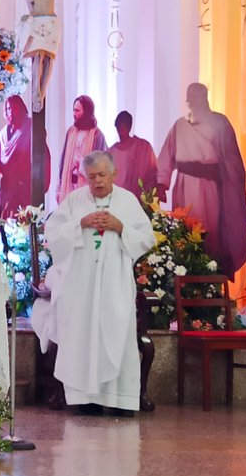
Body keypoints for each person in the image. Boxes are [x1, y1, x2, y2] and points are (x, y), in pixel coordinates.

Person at [38, 151, 156, 415]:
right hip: (81, 284)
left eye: (102, 175)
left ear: (113, 174)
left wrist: (119, 226)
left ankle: (120, 399)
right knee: (83, 335)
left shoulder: (127, 201)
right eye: (91, 177)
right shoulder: (74, 201)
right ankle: (84, 398)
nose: (97, 181)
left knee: (116, 334)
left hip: (115, 282)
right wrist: (80, 224)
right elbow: (53, 234)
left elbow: (146, 238)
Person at [156, 83, 246, 279]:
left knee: (210, 234)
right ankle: (187, 280)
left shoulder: (220, 123)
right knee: (185, 231)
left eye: (197, 96)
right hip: (183, 187)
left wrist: (223, 175)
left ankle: (211, 280)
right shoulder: (179, 126)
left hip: (210, 189)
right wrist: (161, 183)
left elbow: (233, 159)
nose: (193, 100)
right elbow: (166, 155)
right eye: (190, 96)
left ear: (205, 97)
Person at [0, 94, 49, 221]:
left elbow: (43, 158)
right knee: (2, 228)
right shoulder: (3, 134)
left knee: (22, 227)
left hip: (25, 191)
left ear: (21, 109)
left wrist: (39, 186)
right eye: (8, 109)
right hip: (6, 192)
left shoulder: (32, 128)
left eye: (14, 108)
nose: (11, 112)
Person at [56, 95, 107, 203]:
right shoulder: (71, 132)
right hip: (69, 187)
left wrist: (82, 164)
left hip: (87, 191)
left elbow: (101, 168)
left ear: (87, 112)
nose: (74, 114)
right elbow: (63, 160)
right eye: (73, 110)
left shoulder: (97, 136)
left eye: (77, 111)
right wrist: (59, 187)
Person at [109, 110, 158, 200]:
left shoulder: (143, 148)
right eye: (118, 128)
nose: (120, 132)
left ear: (129, 127)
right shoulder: (111, 152)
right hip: (116, 200)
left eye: (123, 128)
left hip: (139, 200)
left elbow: (152, 174)